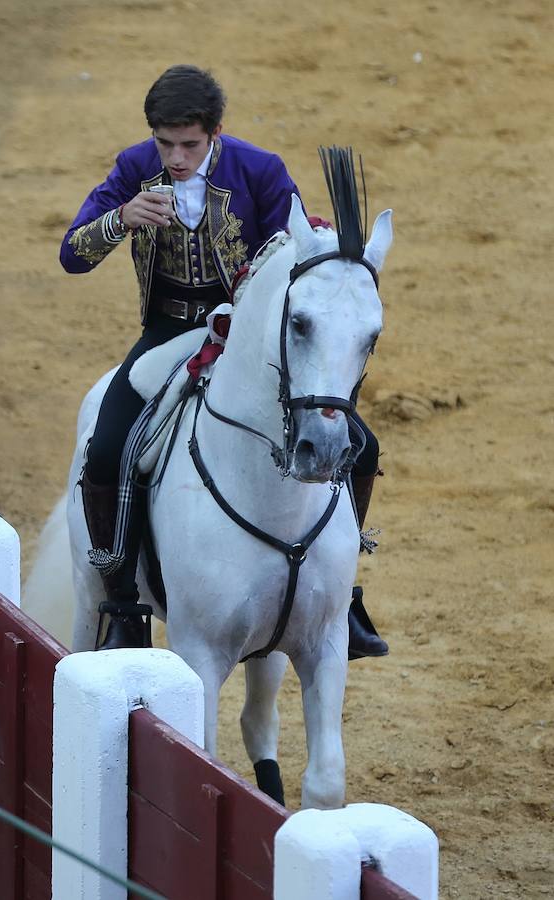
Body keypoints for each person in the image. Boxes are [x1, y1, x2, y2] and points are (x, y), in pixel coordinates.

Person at [60, 64, 387, 657]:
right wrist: (120, 219)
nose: (176, 158)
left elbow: (293, 244)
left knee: (362, 445)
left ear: (216, 132)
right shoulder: (137, 167)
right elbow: (72, 254)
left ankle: (346, 590)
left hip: (243, 334)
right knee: (107, 448)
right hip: (164, 335)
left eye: (189, 144)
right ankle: (121, 604)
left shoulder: (258, 170)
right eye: (166, 143)